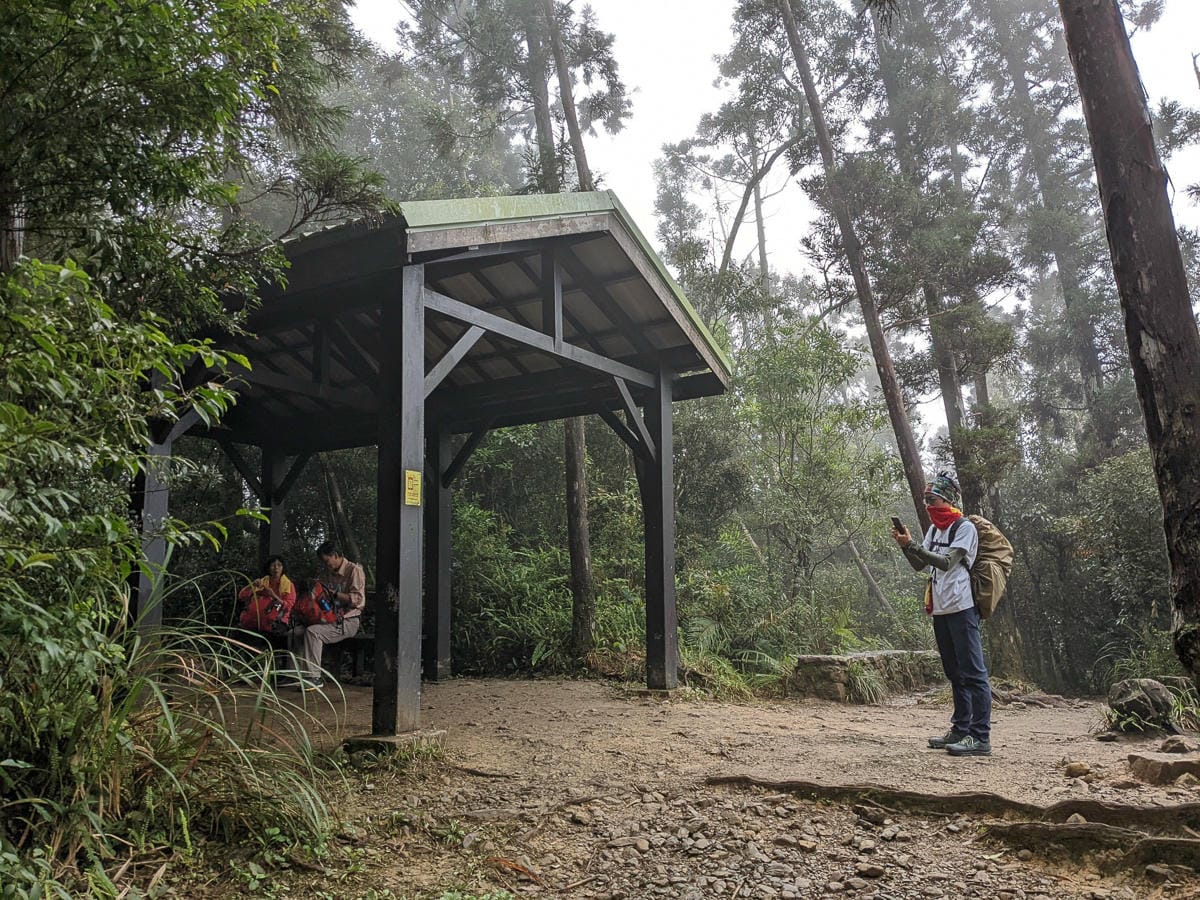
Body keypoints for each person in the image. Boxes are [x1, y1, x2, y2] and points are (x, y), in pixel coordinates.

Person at [891, 472, 992, 757]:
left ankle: (980, 736)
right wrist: (905, 546)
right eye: (925, 501)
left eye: (932, 500)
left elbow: (948, 563)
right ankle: (960, 728)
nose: (927, 506)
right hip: (941, 608)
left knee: (973, 673)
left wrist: (913, 546)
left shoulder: (965, 528)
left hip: (962, 607)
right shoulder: (934, 530)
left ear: (947, 500)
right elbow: (919, 565)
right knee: (954, 672)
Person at [288, 539, 366, 691]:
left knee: (313, 633)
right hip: (327, 618)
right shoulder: (327, 573)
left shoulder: (354, 570)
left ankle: (314, 677)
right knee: (295, 632)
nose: (326, 565)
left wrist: (336, 595)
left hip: (347, 620)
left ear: (335, 555)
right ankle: (295, 675)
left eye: (327, 561)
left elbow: (358, 600)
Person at [237, 555, 297, 636]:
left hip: (277, 621)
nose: (276, 568)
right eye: (273, 565)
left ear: (283, 568)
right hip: (256, 619)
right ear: (268, 568)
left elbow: (288, 607)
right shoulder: (262, 582)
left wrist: (273, 595)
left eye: (279, 565)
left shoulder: (289, 585)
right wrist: (251, 585)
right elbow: (242, 596)